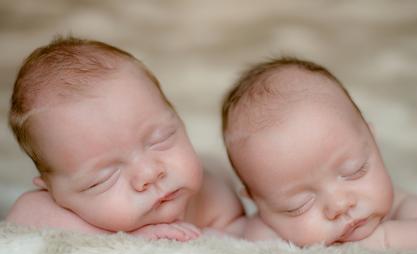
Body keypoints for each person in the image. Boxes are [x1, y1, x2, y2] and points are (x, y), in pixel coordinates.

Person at [6, 36, 245, 241]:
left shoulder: (212, 195)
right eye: (104, 178)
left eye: (161, 139)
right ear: (53, 191)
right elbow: (20, 225)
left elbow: (241, 237)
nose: (149, 175)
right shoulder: (44, 208)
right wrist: (122, 241)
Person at [221, 56, 417, 251]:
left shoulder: (401, 208)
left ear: (373, 141)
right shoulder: (266, 229)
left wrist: (385, 240)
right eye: (298, 205)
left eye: (355, 170)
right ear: (257, 201)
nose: (340, 205)